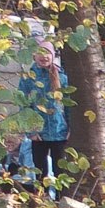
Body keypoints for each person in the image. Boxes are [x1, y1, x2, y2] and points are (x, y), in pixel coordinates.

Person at [18, 42, 69, 192]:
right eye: (40, 53)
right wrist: (31, 131)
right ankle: (41, 200)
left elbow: (69, 105)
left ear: (53, 56)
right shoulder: (28, 78)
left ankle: (61, 200)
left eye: (47, 53)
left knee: (60, 170)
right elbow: (23, 105)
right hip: (38, 133)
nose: (44, 57)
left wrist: (70, 127)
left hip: (59, 131)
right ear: (34, 56)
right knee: (40, 170)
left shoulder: (62, 77)